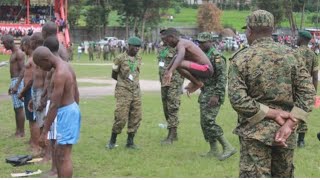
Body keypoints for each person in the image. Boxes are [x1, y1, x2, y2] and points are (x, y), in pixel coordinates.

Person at [228, 10, 315, 178]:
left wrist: (272, 113)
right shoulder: (293, 55)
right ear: (272, 29)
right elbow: (308, 93)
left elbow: (238, 100)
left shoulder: (241, 58)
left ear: (249, 31)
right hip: (285, 135)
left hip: (254, 135)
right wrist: (289, 124)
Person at [34, 46, 80, 178]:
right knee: (60, 153)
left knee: (63, 156)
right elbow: (76, 92)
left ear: (45, 60)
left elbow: (54, 105)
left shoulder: (60, 74)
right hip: (70, 111)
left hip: (67, 113)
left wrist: (44, 132)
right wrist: (75, 110)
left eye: (40, 65)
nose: (42, 69)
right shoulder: (66, 66)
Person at [197, 32, 236, 160]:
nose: (200, 45)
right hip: (205, 92)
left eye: (203, 42)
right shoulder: (203, 56)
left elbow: (222, 78)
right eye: (199, 42)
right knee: (204, 122)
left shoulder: (217, 56)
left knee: (209, 121)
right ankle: (213, 149)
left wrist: (217, 95)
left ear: (210, 42)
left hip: (213, 94)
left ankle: (228, 146)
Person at [106, 36, 142, 149]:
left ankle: (130, 142)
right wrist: (123, 83)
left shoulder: (138, 58)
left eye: (138, 47)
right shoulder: (119, 58)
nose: (136, 49)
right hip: (123, 91)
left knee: (136, 116)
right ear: (128, 46)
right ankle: (112, 141)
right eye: (134, 47)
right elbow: (114, 74)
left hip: (136, 91)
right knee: (121, 117)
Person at [160, 28, 213, 94]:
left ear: (172, 37)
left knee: (178, 64)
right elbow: (176, 56)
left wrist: (170, 72)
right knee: (177, 63)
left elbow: (180, 56)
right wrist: (167, 70)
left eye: (167, 40)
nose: (166, 43)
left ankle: (197, 83)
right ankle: (196, 82)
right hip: (200, 68)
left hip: (206, 69)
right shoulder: (181, 44)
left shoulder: (181, 43)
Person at [158, 33, 184, 145]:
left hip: (174, 81)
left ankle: (171, 136)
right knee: (166, 107)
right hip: (164, 82)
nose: (163, 37)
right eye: (162, 35)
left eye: (165, 35)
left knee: (172, 107)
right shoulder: (161, 48)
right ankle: (173, 132)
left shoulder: (177, 48)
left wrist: (180, 84)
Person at [16, 36, 39, 153]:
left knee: (32, 119)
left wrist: (23, 91)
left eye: (22, 44)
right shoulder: (29, 57)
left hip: (30, 90)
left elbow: (32, 79)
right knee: (30, 119)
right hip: (27, 91)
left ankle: (36, 145)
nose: (21, 47)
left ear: (27, 44)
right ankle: (33, 140)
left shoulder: (34, 58)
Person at [295, 30, 319, 148]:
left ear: (301, 39)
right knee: (302, 113)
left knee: (290, 112)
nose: (296, 39)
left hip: (293, 87)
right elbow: (315, 76)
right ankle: (301, 141)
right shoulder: (313, 55)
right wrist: (314, 93)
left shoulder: (293, 52)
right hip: (306, 88)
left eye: (297, 37)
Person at [2, 34, 26, 138]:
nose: (3, 45)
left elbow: (23, 70)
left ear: (9, 42)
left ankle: (22, 132)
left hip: (18, 81)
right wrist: (12, 85)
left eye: (4, 43)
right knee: (16, 108)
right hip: (14, 81)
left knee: (19, 108)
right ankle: (18, 130)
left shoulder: (19, 54)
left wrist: (16, 85)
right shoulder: (13, 53)